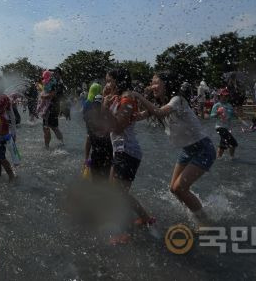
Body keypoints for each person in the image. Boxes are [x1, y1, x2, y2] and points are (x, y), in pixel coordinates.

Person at [131, 71, 216, 229]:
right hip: (188, 150)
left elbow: (159, 113)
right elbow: (138, 117)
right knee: (174, 189)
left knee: (179, 188)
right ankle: (195, 211)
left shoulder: (177, 100)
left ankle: (205, 223)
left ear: (167, 84)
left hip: (203, 148)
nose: (152, 86)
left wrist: (137, 95)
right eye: (152, 82)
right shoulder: (162, 102)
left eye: (156, 82)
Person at [102, 68, 154, 244]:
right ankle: (145, 218)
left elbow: (117, 127)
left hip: (127, 151)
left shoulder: (127, 98)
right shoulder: (119, 98)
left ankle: (125, 233)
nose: (106, 84)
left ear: (118, 81)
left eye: (109, 81)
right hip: (121, 151)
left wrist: (104, 106)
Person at [82, 83, 112, 181]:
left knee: (90, 138)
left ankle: (87, 160)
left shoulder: (87, 101)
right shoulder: (102, 99)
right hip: (104, 137)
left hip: (92, 128)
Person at [210, 89, 238, 159]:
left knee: (223, 143)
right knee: (233, 143)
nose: (225, 97)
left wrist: (235, 114)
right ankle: (232, 158)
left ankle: (218, 157)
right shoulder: (217, 105)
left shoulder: (229, 105)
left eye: (227, 96)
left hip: (227, 128)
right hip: (220, 127)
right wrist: (217, 113)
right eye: (224, 96)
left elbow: (232, 116)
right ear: (220, 96)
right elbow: (212, 116)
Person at [41, 69, 65, 149]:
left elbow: (53, 94)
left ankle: (46, 147)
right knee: (54, 127)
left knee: (46, 127)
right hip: (55, 107)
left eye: (56, 73)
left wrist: (43, 96)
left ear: (60, 74)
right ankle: (62, 142)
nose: (54, 74)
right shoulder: (58, 83)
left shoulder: (55, 83)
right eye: (54, 73)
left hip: (50, 107)